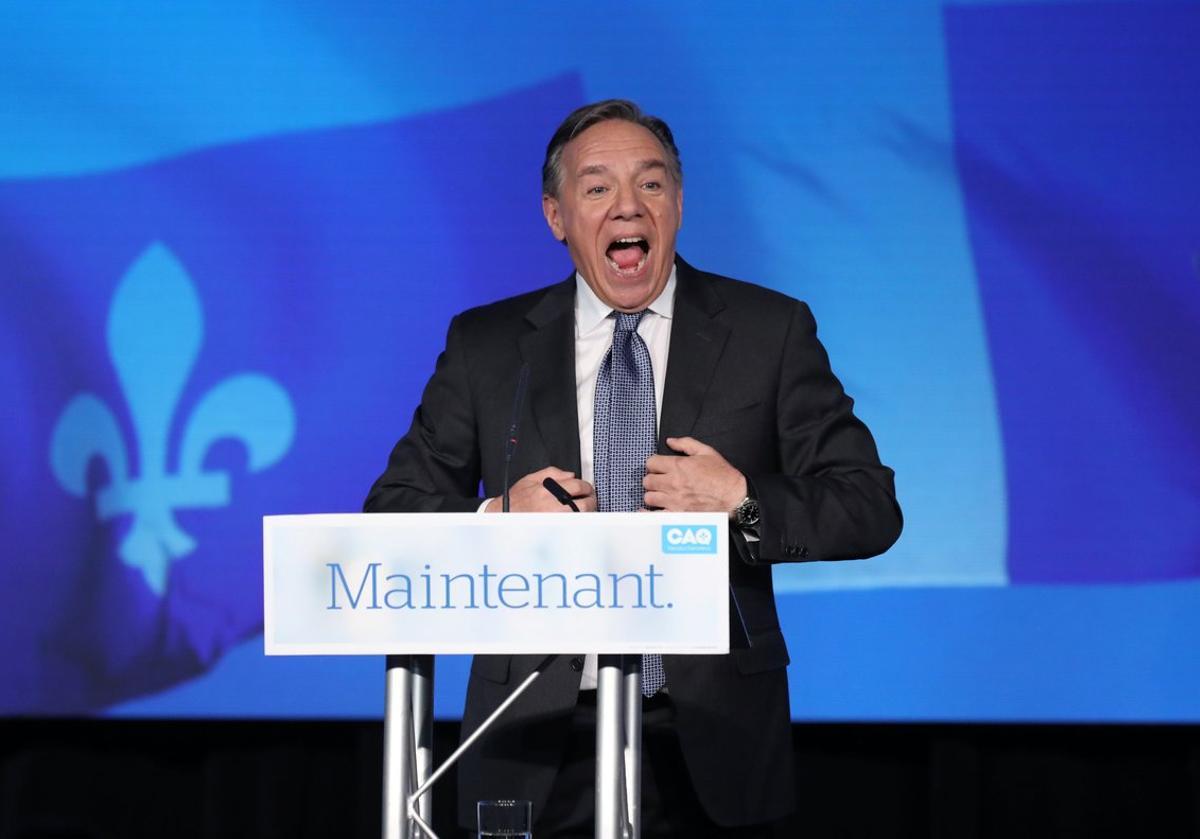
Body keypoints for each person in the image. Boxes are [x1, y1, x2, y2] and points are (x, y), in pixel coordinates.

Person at [364, 99, 902, 836]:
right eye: (597, 188)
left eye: (651, 185)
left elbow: (868, 504)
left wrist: (743, 502)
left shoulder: (767, 331)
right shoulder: (488, 347)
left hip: (709, 737)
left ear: (678, 204)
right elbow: (392, 510)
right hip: (532, 733)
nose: (628, 206)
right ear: (556, 216)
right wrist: (498, 517)